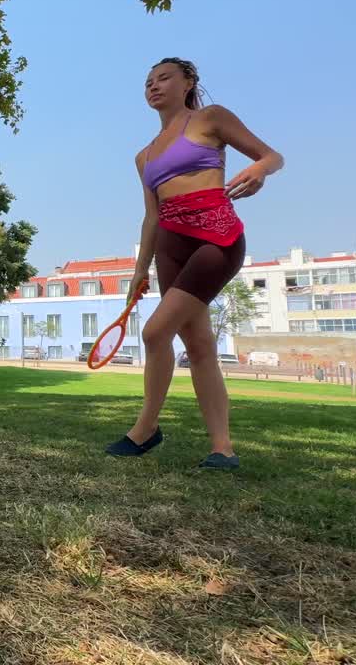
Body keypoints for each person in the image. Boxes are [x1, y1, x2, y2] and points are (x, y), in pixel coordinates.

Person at [105, 58, 283, 470]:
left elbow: (272, 155)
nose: (153, 85)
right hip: (170, 245)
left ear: (188, 83)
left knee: (153, 333)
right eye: (148, 81)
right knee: (200, 346)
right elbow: (151, 216)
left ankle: (145, 430)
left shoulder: (210, 119)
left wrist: (259, 168)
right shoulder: (143, 156)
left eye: (164, 77)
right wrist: (139, 270)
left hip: (217, 236)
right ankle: (222, 448)